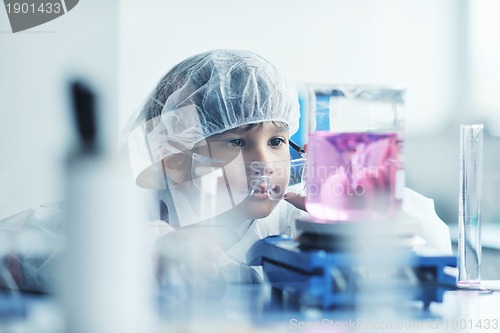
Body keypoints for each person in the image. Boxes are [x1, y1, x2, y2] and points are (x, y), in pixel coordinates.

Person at [123, 49, 452, 291]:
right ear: (176, 156)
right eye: (236, 143)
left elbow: (436, 252)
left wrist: (365, 209)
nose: (265, 164)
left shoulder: (300, 221)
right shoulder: (138, 222)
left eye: (277, 141)